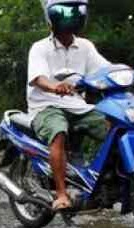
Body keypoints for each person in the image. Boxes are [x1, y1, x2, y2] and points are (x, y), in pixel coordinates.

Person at [28, 0, 112, 210]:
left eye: (74, 11)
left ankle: (103, 179)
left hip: (78, 106)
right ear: (51, 17)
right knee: (58, 133)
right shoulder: (40, 47)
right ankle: (62, 194)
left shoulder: (85, 46)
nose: (69, 17)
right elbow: (39, 79)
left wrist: (129, 74)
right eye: (62, 12)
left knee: (113, 126)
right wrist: (55, 87)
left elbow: (106, 70)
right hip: (46, 105)